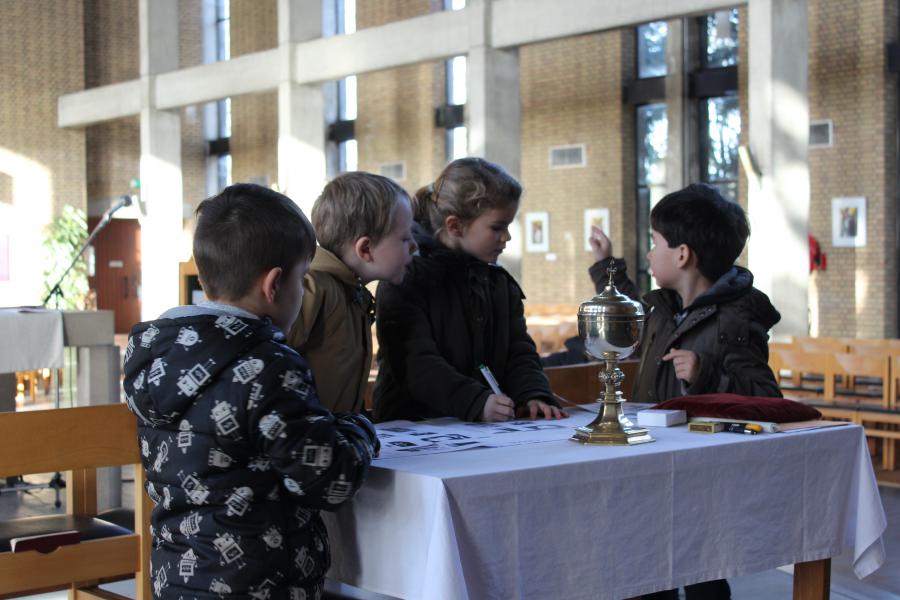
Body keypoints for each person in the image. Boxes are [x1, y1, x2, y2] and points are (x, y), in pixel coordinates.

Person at [123, 183, 378, 600]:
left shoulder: (158, 356)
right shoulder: (268, 365)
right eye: (303, 279)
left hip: (178, 579)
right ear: (274, 284)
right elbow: (328, 480)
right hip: (262, 585)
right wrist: (359, 431)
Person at [591, 183, 781, 600]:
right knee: (644, 567)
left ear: (682, 255)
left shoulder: (736, 317)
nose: (648, 252)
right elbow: (628, 317)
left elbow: (766, 397)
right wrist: (606, 265)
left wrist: (705, 373)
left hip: (700, 471)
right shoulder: (663, 306)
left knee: (701, 570)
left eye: (654, 242)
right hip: (649, 460)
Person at [373, 157, 565, 423]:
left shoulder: (498, 282)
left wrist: (533, 394)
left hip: (483, 427)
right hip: (416, 426)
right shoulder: (405, 277)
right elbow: (415, 364)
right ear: (455, 226)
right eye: (497, 227)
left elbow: (519, 352)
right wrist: (475, 401)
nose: (507, 237)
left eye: (508, 226)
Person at [286, 172, 416, 415]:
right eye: (405, 238)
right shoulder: (312, 288)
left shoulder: (352, 294)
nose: (414, 247)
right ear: (366, 248)